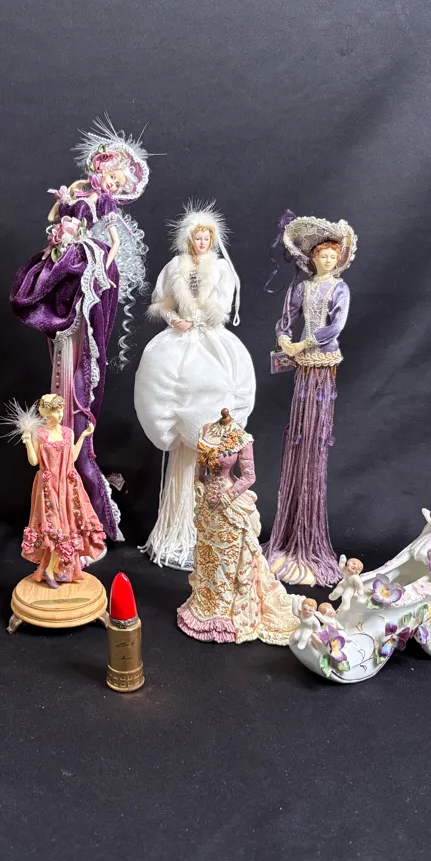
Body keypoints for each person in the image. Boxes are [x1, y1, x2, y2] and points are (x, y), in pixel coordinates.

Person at [10, 119, 150, 542]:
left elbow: (114, 242)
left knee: (80, 350)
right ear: (99, 170)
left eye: (118, 181)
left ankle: (83, 497)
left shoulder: (104, 205)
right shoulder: (81, 192)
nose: (111, 183)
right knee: (57, 303)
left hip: (85, 263)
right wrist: (63, 206)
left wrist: (99, 260)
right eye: (110, 175)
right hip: (68, 260)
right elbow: (56, 216)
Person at [134, 200, 255, 569]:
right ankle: (177, 525)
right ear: (189, 239)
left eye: (207, 237)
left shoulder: (221, 269)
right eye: (197, 237)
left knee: (214, 395)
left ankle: (207, 524)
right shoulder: (176, 267)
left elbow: (223, 305)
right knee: (172, 390)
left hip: (212, 342)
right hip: (181, 340)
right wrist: (174, 319)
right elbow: (162, 302)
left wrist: (206, 317)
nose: (202, 242)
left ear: (212, 240)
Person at [264, 212, 357, 587]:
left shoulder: (340, 290)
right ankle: (288, 537)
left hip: (321, 364)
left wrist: (304, 342)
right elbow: (284, 320)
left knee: (315, 435)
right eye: (323, 255)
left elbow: (336, 326)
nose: (329, 260)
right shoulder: (301, 288)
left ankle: (308, 539)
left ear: (339, 259)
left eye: (334, 256)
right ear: (313, 258)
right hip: (303, 365)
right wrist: (285, 340)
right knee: (298, 433)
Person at [177, 409, 297, 645]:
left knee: (228, 557)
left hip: (228, 505)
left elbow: (249, 476)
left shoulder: (242, 438)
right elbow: (199, 468)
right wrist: (198, 483)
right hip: (206, 506)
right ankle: (206, 603)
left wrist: (229, 496)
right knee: (207, 554)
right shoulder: (206, 431)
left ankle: (226, 611)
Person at [17, 394, 106, 588]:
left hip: (67, 484)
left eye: (60, 411)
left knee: (68, 526)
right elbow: (34, 461)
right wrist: (28, 442)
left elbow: (72, 456)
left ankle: (55, 569)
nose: (58, 415)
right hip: (49, 486)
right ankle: (50, 569)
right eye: (53, 412)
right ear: (44, 413)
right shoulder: (40, 434)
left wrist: (84, 436)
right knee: (54, 527)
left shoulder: (68, 432)